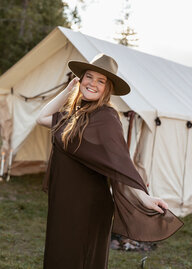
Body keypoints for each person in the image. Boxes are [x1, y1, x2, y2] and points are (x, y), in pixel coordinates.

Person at [37, 54, 183, 269]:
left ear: (108, 88)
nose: (93, 84)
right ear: (81, 79)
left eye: (101, 81)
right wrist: (69, 90)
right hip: (63, 203)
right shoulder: (72, 115)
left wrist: (143, 198)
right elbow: (41, 117)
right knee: (59, 256)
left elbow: (118, 165)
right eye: (89, 77)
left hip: (88, 207)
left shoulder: (106, 118)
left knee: (79, 260)